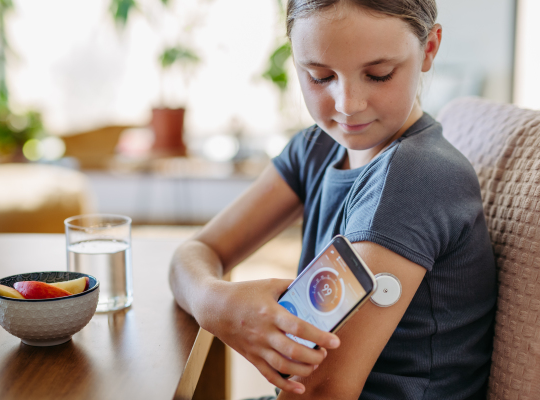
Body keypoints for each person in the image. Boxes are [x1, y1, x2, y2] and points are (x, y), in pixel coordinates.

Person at [168, 0, 497, 398]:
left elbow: (322, 391)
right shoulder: (318, 147)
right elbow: (196, 250)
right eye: (320, 76)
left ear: (429, 49)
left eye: (379, 75)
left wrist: (208, 297)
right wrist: (216, 304)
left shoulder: (416, 177)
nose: (347, 105)